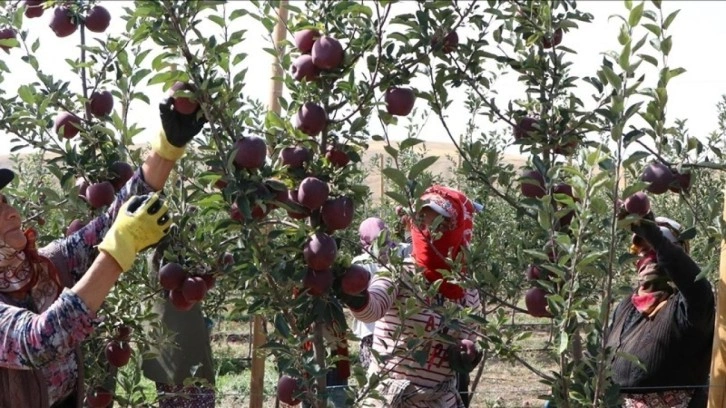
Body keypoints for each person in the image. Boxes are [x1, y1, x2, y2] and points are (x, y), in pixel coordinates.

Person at [0, 96, 206, 408]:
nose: (12, 212)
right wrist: (121, 246)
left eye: (6, 202)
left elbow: (107, 224)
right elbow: (39, 341)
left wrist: (166, 151)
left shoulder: (44, 266)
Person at [346, 185, 483, 408]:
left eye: (440, 225)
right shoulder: (398, 271)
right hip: (389, 401)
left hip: (439, 401)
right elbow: (372, 309)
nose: (428, 232)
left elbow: (469, 338)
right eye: (422, 223)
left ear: (456, 229)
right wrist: (353, 294)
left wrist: (467, 353)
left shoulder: (466, 289)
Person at [606, 213, 714, 408]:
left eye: (654, 250)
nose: (648, 257)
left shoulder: (691, 308)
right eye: (642, 250)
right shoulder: (624, 307)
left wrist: (655, 236)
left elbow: (696, 287)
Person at [141, 232, 216, 408]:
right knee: (194, 395)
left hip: (164, 344)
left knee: (172, 399)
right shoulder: (173, 247)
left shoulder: (155, 254)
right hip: (183, 345)